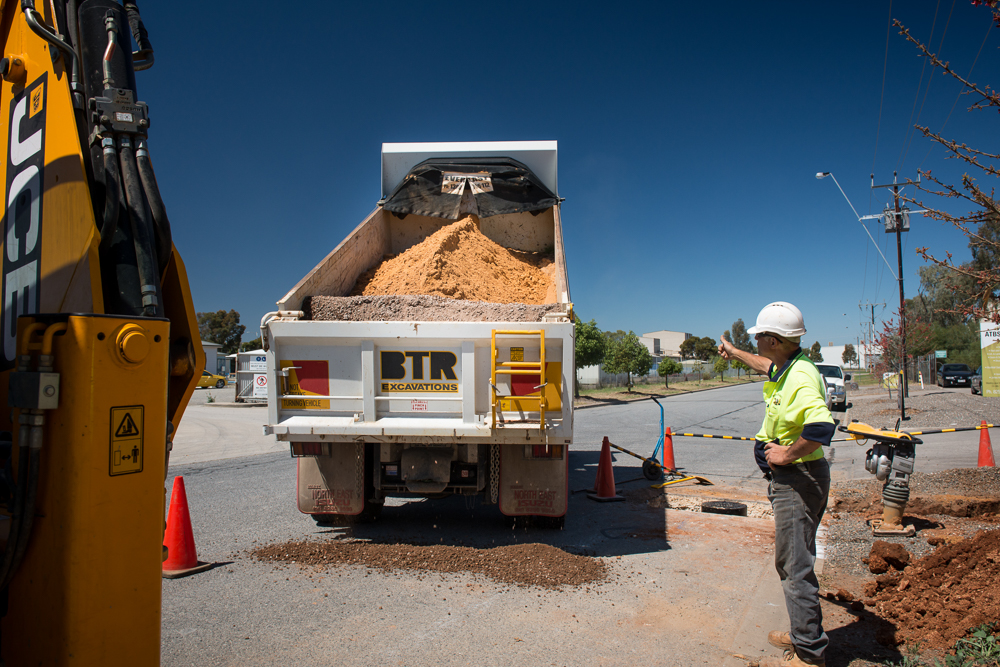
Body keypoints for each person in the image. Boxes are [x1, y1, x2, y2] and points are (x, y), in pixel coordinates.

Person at [718, 301, 834, 667]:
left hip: (798, 481)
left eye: (759, 337)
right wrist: (734, 352)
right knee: (794, 559)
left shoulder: (799, 378)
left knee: (794, 564)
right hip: (797, 481)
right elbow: (764, 367)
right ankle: (804, 633)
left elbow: (821, 427)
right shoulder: (788, 366)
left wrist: (786, 455)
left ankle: (809, 653)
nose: (757, 344)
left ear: (773, 339)